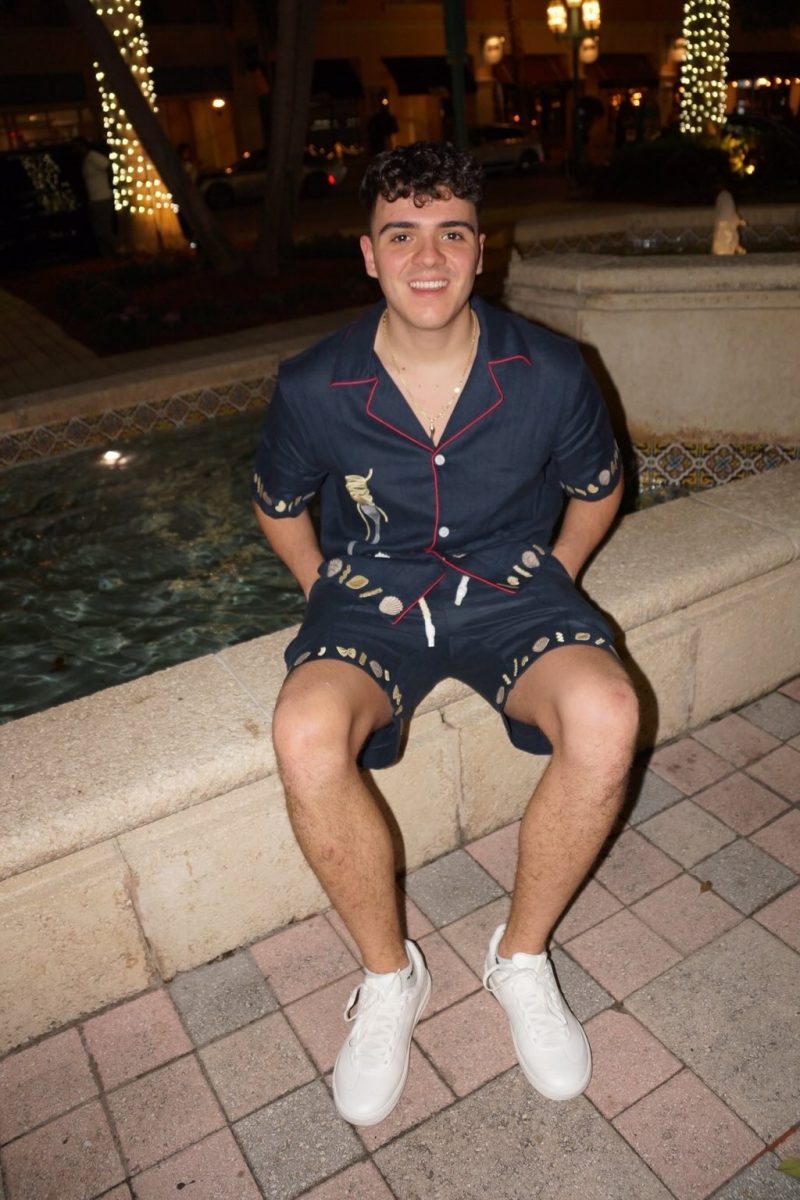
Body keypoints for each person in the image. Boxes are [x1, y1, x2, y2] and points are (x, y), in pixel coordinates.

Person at [252, 142, 639, 1127]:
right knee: (303, 732)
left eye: (451, 234)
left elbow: (598, 490)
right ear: (368, 255)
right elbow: (277, 504)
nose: (428, 259)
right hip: (371, 590)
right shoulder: (312, 384)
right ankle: (390, 979)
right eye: (401, 236)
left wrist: (558, 573)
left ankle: (519, 957)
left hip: (510, 585)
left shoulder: (551, 369)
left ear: (479, 250)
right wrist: (317, 585)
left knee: (604, 711)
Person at [75, 137, 116, 256]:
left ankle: (115, 251)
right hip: (95, 198)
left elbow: (108, 167)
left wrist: (111, 184)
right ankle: (108, 254)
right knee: (99, 229)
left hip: (102, 197)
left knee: (103, 230)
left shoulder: (94, 157)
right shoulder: (87, 160)